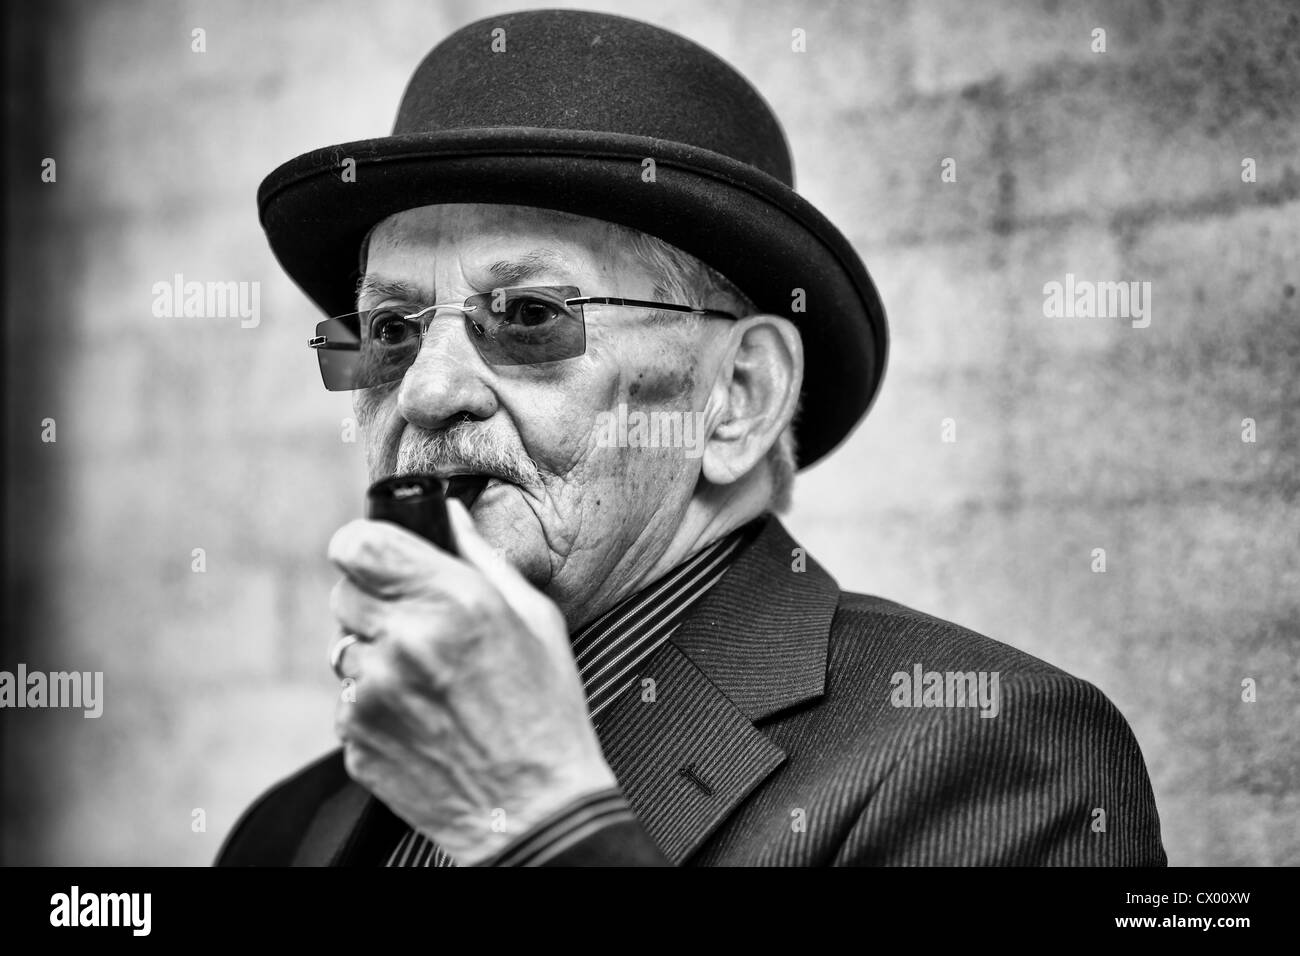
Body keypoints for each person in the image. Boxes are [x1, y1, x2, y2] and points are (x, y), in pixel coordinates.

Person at [217, 9, 1166, 866]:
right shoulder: (291, 826)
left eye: (529, 314)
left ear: (739, 399)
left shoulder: (986, 753)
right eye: (389, 331)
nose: (427, 391)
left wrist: (543, 823)